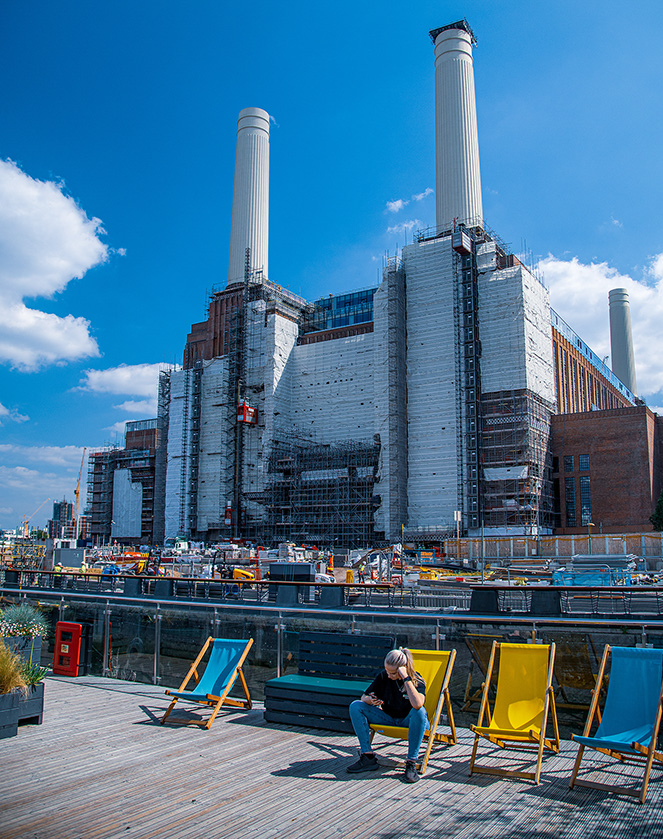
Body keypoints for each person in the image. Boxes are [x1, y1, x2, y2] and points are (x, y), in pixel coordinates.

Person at [347, 647, 427, 784]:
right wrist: (369, 700)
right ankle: (367, 757)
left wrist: (406, 678)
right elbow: (363, 697)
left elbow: (418, 704)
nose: (389, 675)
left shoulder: (416, 680)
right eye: (387, 671)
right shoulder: (384, 676)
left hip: (410, 721)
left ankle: (411, 763)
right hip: (388, 718)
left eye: (393, 673)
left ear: (403, 669)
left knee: (419, 711)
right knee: (356, 706)